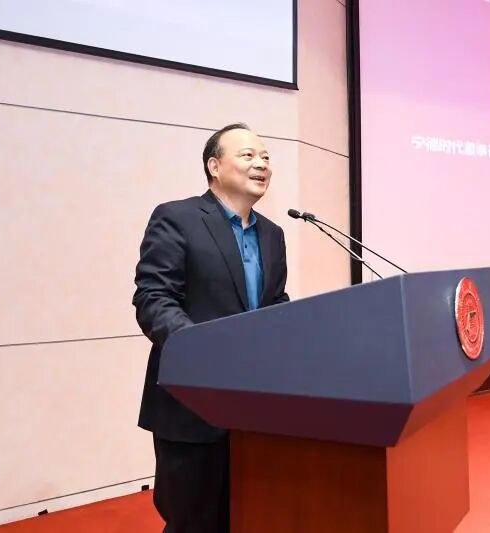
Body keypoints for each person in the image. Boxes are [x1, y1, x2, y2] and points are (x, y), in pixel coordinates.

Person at [132, 123, 289, 532]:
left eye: (266, 157)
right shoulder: (177, 218)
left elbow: (274, 305)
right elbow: (154, 297)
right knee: (194, 523)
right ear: (214, 166)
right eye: (248, 155)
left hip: (255, 410)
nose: (261, 164)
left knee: (250, 518)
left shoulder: (273, 235)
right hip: (192, 406)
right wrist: (201, 350)